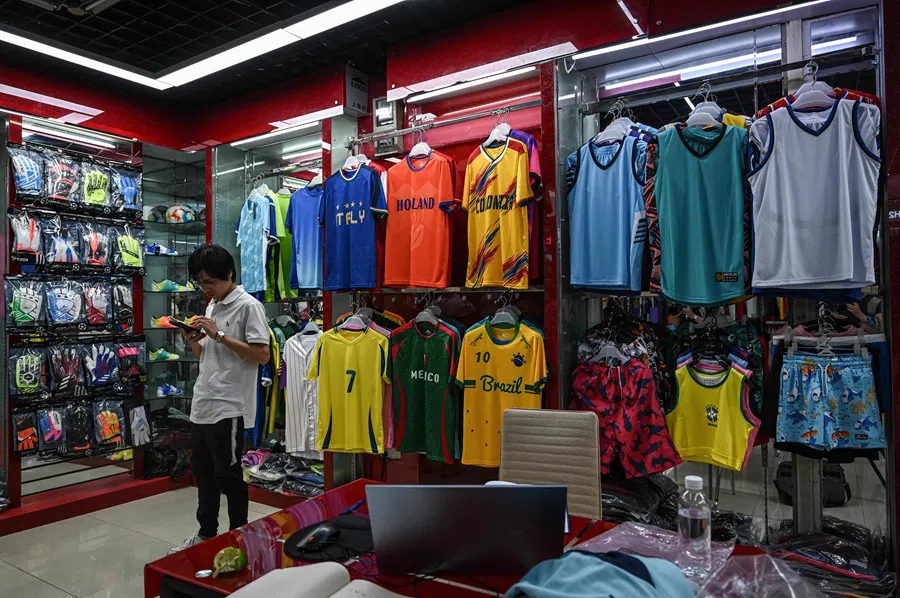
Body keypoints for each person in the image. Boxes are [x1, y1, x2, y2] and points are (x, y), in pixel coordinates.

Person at [170, 244, 270, 552]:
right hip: (204, 401)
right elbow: (209, 356)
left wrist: (218, 335)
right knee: (203, 474)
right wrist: (194, 341)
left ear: (228, 274)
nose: (206, 288)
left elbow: (262, 354)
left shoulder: (248, 306)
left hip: (230, 406)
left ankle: (239, 537)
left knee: (227, 475)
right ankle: (206, 534)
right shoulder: (213, 306)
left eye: (210, 281)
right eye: (201, 283)